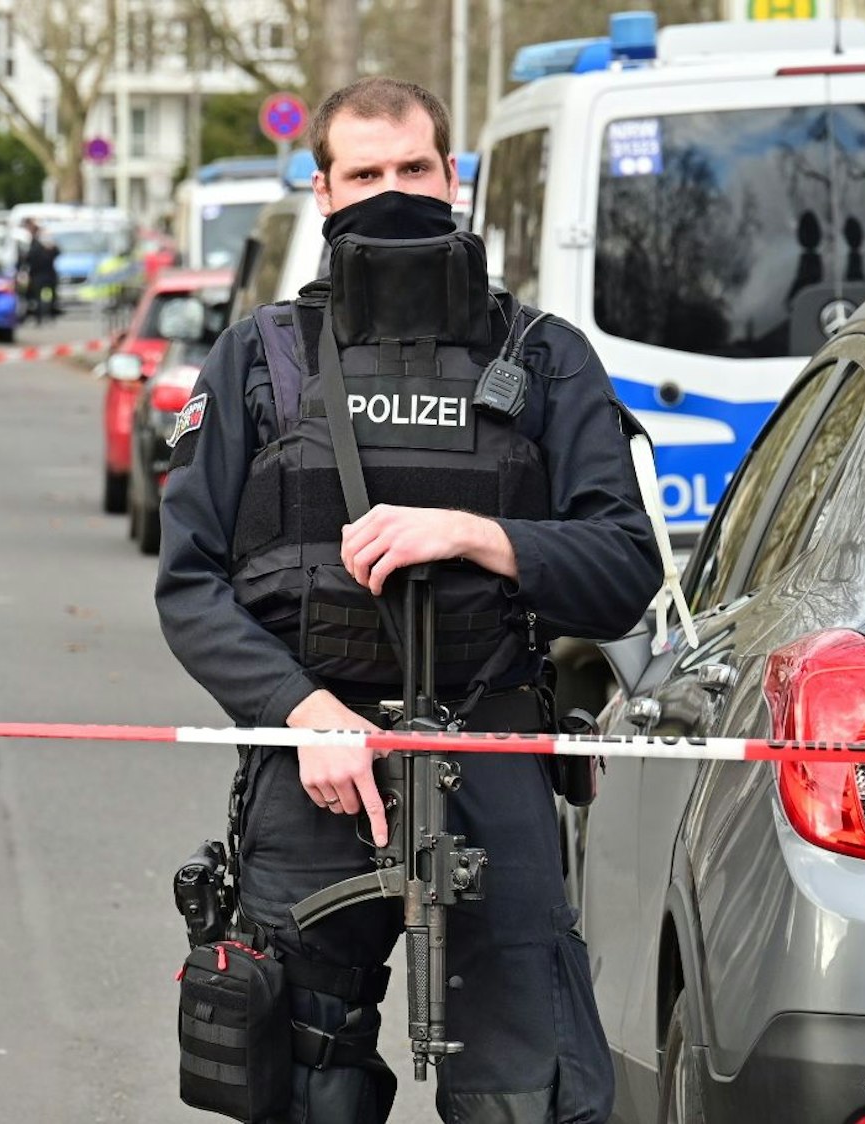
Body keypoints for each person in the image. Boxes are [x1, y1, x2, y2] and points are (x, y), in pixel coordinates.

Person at [155, 77, 662, 1124]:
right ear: (324, 190)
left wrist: (481, 533)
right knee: (304, 1080)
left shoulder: (543, 355)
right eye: (367, 173)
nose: (394, 192)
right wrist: (302, 712)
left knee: (532, 1092)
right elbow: (190, 584)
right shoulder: (260, 359)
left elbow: (623, 569)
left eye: (414, 169)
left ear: (454, 178)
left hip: (491, 750)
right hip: (318, 765)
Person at [19, 220, 59, 324]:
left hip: (40, 275)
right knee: (45, 297)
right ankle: (45, 316)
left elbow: (28, 259)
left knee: (41, 297)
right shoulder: (45, 247)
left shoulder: (36, 246)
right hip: (46, 275)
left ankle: (42, 316)